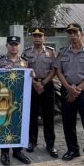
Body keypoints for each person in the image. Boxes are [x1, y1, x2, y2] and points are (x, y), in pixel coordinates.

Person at [54, 23, 84, 166]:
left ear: (81, 34)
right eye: (70, 33)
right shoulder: (62, 52)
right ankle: (72, 150)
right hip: (67, 89)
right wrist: (68, 88)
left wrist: (76, 90)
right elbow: (58, 71)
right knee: (68, 122)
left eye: (75, 32)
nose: (72, 35)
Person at [0, 36, 32, 166]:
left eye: (16, 44)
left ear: (19, 46)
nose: (14, 47)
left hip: (20, 98)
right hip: (4, 97)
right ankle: (4, 152)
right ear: (7, 46)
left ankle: (17, 151)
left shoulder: (25, 61)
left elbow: (29, 76)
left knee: (18, 123)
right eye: (11, 44)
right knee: (4, 123)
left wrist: (32, 74)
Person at [22, 28, 58, 158]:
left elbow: (55, 70)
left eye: (40, 36)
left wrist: (43, 83)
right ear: (32, 38)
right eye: (35, 36)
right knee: (32, 115)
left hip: (47, 85)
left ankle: (50, 144)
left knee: (49, 116)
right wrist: (34, 82)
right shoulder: (26, 52)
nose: (37, 38)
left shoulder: (51, 52)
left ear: (44, 38)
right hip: (31, 85)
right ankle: (32, 142)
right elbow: (24, 68)